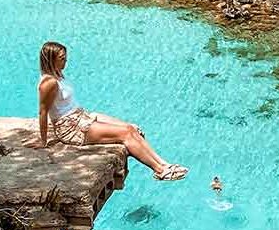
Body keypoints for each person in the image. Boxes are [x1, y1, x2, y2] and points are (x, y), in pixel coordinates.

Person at [36, 41, 187, 181]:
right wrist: (43, 142)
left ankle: (164, 164)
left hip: (81, 116)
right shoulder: (48, 83)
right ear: (51, 60)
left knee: (131, 128)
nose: (66, 61)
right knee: (125, 134)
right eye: (62, 58)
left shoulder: (58, 74)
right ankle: (160, 170)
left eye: (65, 57)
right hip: (70, 128)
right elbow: (43, 112)